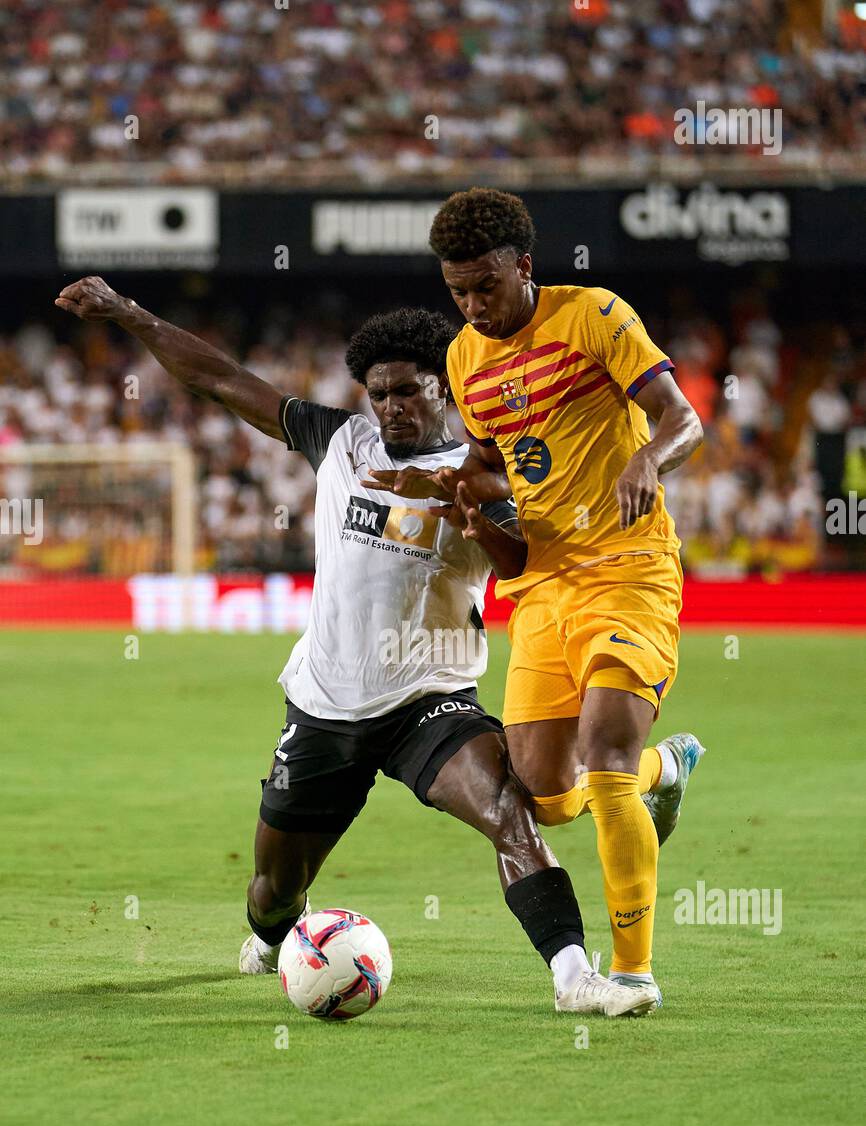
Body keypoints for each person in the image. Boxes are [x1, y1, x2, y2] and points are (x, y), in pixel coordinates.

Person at [53, 276, 658, 1017]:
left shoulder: (485, 471)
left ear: (447, 387)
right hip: (324, 705)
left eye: (406, 392)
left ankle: (574, 978)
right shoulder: (337, 440)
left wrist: (476, 518)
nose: (391, 408)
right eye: (378, 394)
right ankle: (274, 938)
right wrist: (128, 313)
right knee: (274, 893)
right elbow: (219, 379)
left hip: (430, 702)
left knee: (510, 813)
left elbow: (520, 568)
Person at [366, 188, 706, 1009]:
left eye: (486, 286)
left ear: (525, 265)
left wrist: (649, 459)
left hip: (628, 567)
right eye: (458, 292)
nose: (474, 306)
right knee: (548, 796)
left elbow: (682, 418)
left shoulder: (593, 315)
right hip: (544, 582)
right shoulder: (463, 359)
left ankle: (632, 972)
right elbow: (490, 462)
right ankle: (671, 769)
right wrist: (451, 487)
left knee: (607, 762)